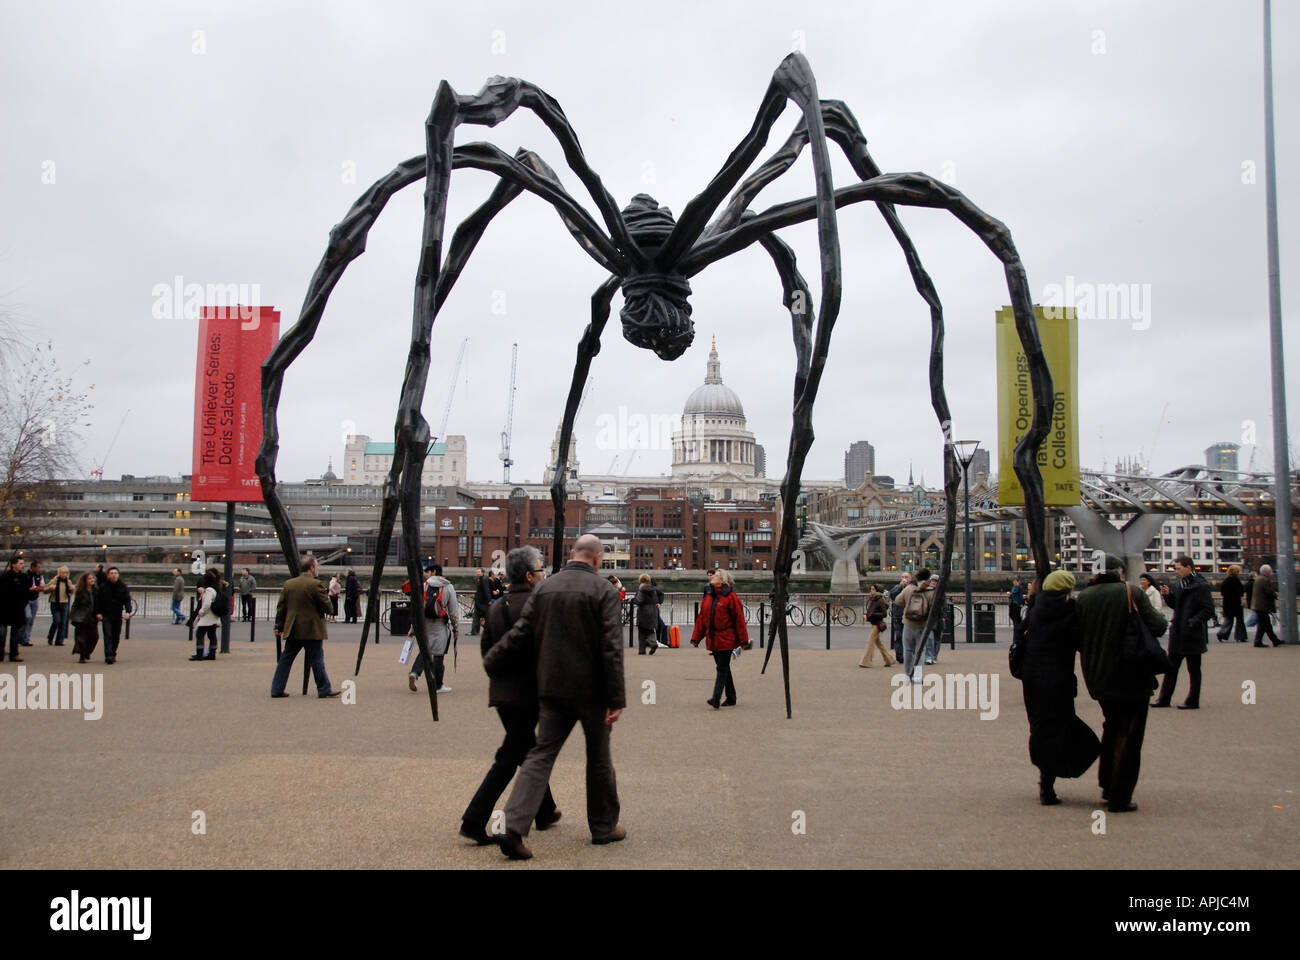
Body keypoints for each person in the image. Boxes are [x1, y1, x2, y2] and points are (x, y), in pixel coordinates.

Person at [484, 533, 625, 861]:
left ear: (573, 554)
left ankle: (513, 825)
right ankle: (604, 827)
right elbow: (612, 649)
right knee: (599, 758)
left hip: (551, 688)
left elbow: (520, 632)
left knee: (540, 756)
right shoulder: (603, 590)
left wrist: (493, 659)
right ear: (596, 557)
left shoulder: (545, 588)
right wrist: (616, 697)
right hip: (593, 691)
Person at [460, 546, 561, 844]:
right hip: (528, 695)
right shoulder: (540, 606)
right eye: (542, 569)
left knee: (527, 751)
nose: (545, 573)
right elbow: (549, 651)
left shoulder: (497, 605)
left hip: (503, 694)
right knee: (509, 758)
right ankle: (474, 819)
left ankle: (545, 810)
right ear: (530, 576)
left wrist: (500, 678)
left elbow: (487, 649)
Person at [1075, 554, 1168, 813]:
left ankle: (1107, 783)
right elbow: (1159, 626)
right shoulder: (1132, 592)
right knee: (1131, 734)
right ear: (1119, 572)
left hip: (1097, 676)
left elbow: (1076, 636)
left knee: (1113, 725)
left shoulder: (1083, 598)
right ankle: (1120, 795)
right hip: (1131, 673)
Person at [1019, 571, 1095, 805]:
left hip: (1032, 677)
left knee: (1040, 726)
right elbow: (1081, 640)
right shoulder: (1070, 610)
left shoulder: (1035, 608)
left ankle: (1046, 782)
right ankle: (1058, 772)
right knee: (1063, 726)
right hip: (1058, 677)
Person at [270, 555, 341, 698]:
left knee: (286, 659)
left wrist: (279, 625)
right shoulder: (316, 584)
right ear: (312, 567)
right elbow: (328, 608)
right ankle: (324, 689)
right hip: (311, 628)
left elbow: (281, 608)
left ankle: (277, 688)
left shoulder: (289, 584)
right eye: (317, 566)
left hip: (293, 627)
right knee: (316, 658)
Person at [1152, 555, 1214, 710]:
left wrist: (1194, 621)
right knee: (1171, 667)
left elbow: (1208, 609)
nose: (1176, 572)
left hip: (1191, 634)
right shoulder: (1179, 584)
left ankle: (1193, 700)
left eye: (1179, 569)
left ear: (1189, 568)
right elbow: (1176, 606)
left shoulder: (1201, 586)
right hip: (1178, 632)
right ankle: (1164, 698)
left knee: (1193, 669)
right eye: (1176, 569)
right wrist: (1169, 596)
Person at [690, 568, 751, 708]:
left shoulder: (730, 597)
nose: (712, 577)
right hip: (713, 637)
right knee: (724, 667)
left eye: (716, 575)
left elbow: (739, 619)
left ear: (722, 580)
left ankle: (716, 698)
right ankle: (731, 697)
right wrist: (696, 637)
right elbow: (702, 618)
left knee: (721, 668)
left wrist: (743, 641)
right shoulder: (709, 596)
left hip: (726, 637)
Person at [408, 563, 457, 694]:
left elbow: (417, 609)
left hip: (424, 624)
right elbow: (453, 610)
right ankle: (438, 685)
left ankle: (414, 673)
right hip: (440, 624)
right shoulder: (448, 587)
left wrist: (413, 628)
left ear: (434, 572)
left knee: (425, 651)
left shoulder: (424, 586)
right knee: (439, 655)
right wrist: (455, 628)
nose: (426, 574)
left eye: (427, 572)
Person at [893, 568, 936, 680]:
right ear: (928, 578)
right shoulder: (931, 591)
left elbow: (897, 600)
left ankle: (908, 674)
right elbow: (934, 609)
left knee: (908, 650)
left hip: (908, 622)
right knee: (920, 651)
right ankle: (917, 676)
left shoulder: (910, 588)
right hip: (922, 624)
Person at [95, 566, 132, 665]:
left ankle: (113, 653)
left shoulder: (123, 587)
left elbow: (127, 600)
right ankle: (108, 656)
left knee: (116, 636)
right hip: (106, 615)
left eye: (115, 573)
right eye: (111, 573)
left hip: (117, 614)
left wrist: (128, 611)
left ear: (118, 575)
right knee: (108, 635)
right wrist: (98, 612)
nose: (114, 575)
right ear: (108, 575)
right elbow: (98, 601)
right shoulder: (102, 587)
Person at [1, 556, 33, 662]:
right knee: (2, 634)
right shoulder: (5, 576)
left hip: (18, 609)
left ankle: (14, 654)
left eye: (23, 563)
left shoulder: (24, 577)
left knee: (16, 634)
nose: (22, 565)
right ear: (13, 564)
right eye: (20, 563)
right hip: (4, 608)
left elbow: (27, 592)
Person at [190, 568, 223, 661]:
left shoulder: (209, 590)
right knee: (212, 634)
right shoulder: (216, 588)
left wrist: (201, 612)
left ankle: (199, 653)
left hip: (208, 616)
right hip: (214, 616)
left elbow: (207, 603)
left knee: (199, 633)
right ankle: (212, 654)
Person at [858, 584, 893, 668]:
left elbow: (884, 614)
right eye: (871, 589)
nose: (871, 591)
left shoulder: (879, 600)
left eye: (873, 589)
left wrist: (871, 615)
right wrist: (868, 615)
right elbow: (872, 611)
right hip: (874, 623)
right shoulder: (874, 599)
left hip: (877, 624)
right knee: (878, 643)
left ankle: (866, 662)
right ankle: (889, 659)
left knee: (870, 643)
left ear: (877, 591)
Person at [70, 572, 98, 663]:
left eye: (92, 578)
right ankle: (82, 655)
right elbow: (75, 604)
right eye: (89, 579)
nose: (92, 580)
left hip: (92, 617)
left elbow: (100, 603)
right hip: (82, 617)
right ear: (85, 581)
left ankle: (87, 652)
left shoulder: (97, 590)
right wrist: (73, 615)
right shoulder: (80, 591)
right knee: (81, 637)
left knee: (94, 637)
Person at [1250, 564, 1281, 647]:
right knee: (1263, 625)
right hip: (1262, 606)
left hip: (1258, 605)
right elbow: (1269, 591)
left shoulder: (1258, 579)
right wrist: (1276, 594)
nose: (1272, 573)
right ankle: (1257, 642)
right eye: (1270, 571)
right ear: (1266, 572)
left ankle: (1275, 640)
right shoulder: (1264, 580)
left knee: (1267, 625)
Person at [44, 565, 74, 646]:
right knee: (56, 621)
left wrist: (71, 589)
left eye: (65, 573)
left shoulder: (68, 582)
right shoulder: (54, 581)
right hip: (55, 603)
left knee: (63, 623)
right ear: (59, 573)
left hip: (64, 603)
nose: (63, 574)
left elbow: (72, 592)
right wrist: (50, 588)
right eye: (62, 573)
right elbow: (45, 590)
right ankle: (50, 637)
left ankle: (59, 641)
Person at [1217, 564, 1247, 643]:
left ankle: (1221, 633)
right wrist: (1242, 600)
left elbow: (1223, 592)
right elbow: (1240, 592)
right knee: (1240, 620)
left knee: (1228, 620)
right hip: (1236, 604)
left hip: (1227, 603)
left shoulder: (1225, 581)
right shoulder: (1236, 581)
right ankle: (1240, 636)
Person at [19, 559, 45, 647]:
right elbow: (26, 588)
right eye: (38, 567)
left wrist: (37, 588)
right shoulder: (26, 576)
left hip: (35, 599)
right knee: (27, 617)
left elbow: (42, 587)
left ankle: (26, 639)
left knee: (31, 620)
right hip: (26, 599)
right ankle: (20, 636)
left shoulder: (39, 576)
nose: (39, 569)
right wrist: (32, 588)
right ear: (33, 567)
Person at [887, 572, 911, 665]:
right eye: (902, 577)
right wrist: (900, 587)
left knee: (909, 637)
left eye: (906, 577)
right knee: (899, 636)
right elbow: (892, 595)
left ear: (910, 579)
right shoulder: (897, 587)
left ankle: (909, 655)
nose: (904, 579)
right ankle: (900, 657)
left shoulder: (912, 588)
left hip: (909, 616)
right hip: (898, 616)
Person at [633, 573, 660, 655]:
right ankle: (653, 643)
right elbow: (656, 599)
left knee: (641, 630)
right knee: (650, 629)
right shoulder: (653, 589)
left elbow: (639, 600)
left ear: (640, 580)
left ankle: (642, 650)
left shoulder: (641, 589)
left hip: (643, 611)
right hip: (653, 611)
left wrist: (634, 599)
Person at [472, 567, 491, 636]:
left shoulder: (483, 580)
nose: (477, 573)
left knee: (478, 617)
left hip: (481, 602)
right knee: (477, 617)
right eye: (476, 572)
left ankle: (487, 630)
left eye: (479, 572)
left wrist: (489, 600)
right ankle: (475, 631)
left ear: (482, 573)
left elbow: (486, 590)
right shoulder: (480, 579)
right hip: (479, 601)